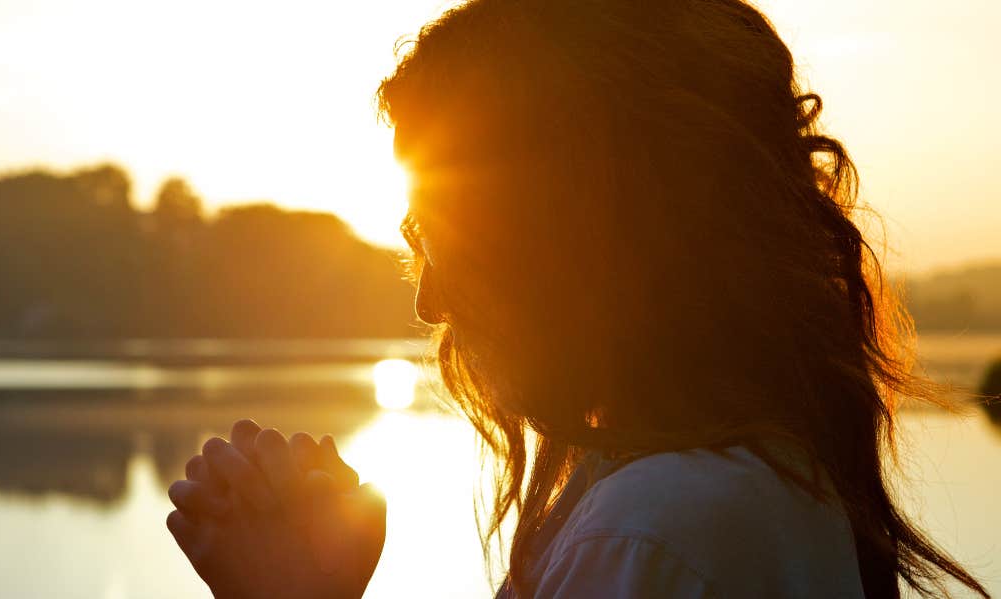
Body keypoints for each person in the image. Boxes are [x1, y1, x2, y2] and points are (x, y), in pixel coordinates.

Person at [166, 0, 991, 597]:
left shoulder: (652, 532)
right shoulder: (751, 483)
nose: (431, 301)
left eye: (450, 239)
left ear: (570, 240)